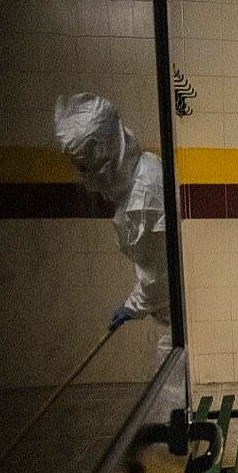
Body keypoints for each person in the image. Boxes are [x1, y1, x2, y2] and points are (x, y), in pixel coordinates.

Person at [54, 93, 171, 340]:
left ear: (103, 158)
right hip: (171, 318)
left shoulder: (142, 203)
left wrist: (133, 306)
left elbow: (160, 277)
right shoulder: (145, 173)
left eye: (84, 168)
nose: (83, 176)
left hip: (176, 320)